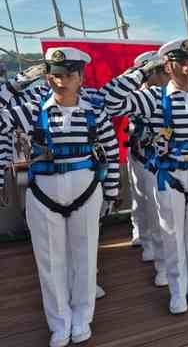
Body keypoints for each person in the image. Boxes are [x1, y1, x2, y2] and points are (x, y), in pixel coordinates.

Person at [0, 47, 120, 347]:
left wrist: (112, 192)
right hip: (43, 195)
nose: (60, 81)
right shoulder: (31, 111)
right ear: (46, 77)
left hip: (87, 193)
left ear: (80, 78)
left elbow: (111, 152)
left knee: (85, 257)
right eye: (54, 75)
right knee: (49, 263)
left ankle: (82, 318)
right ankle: (59, 322)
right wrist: (16, 85)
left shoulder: (96, 113)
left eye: (68, 75)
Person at [105, 38, 188, 315]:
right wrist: (142, 72)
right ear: (167, 66)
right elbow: (110, 101)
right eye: (180, 63)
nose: (187, 69)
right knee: (171, 235)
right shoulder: (152, 99)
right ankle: (177, 290)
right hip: (169, 174)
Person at [125, 51, 170, 286]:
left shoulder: (167, 94)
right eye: (156, 71)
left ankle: (156, 243)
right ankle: (142, 235)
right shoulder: (135, 96)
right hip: (138, 154)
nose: (162, 76)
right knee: (139, 198)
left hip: (160, 158)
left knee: (156, 205)